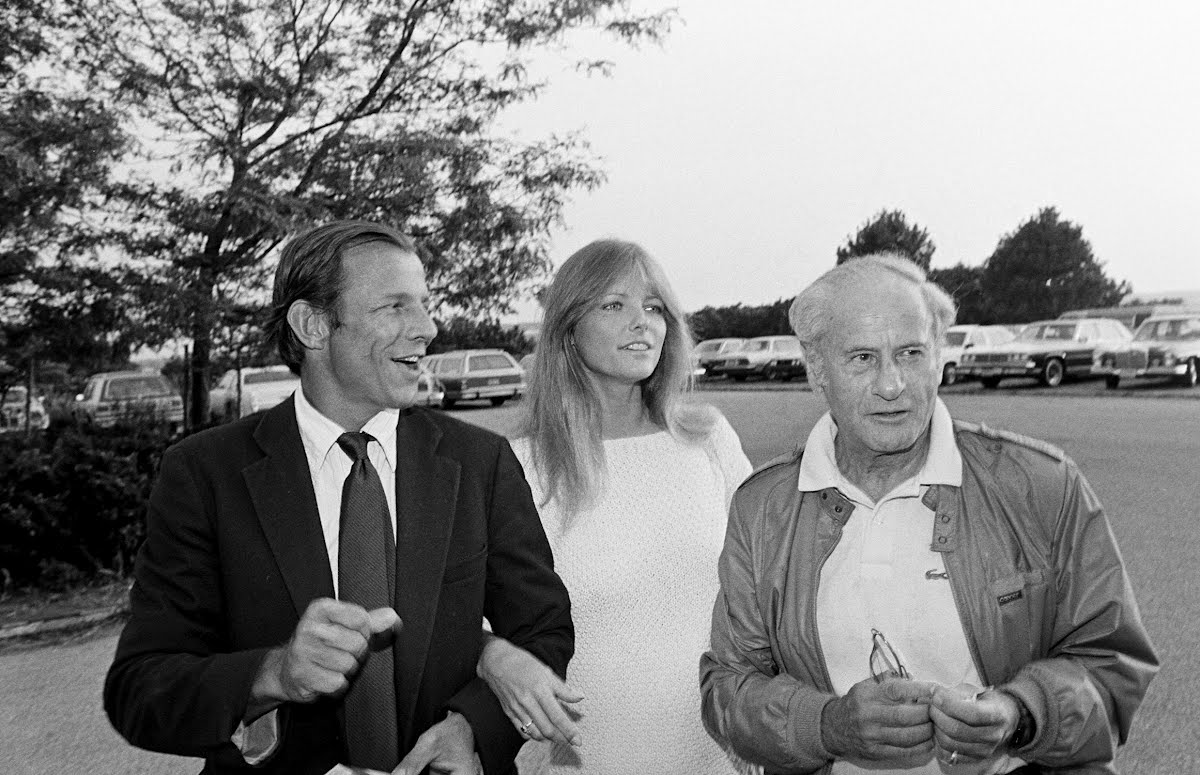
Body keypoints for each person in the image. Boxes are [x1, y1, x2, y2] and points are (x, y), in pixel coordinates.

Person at [104, 221, 573, 775]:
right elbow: (140, 689)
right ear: (313, 325)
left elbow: (543, 628)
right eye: (394, 306)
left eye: (424, 304)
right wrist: (274, 673)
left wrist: (472, 729)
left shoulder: (479, 461)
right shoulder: (206, 474)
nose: (427, 328)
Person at [699, 253, 1158, 775]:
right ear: (817, 370)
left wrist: (1021, 713)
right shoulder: (762, 508)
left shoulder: (1042, 485)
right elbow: (727, 690)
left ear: (940, 357)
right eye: (862, 358)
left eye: (911, 353)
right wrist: (827, 725)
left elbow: (1113, 663)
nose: (891, 384)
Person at [475, 239, 753, 774]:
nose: (641, 321)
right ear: (568, 328)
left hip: (720, 751)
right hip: (583, 754)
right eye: (613, 304)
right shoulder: (519, 464)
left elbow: (767, 589)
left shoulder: (709, 438)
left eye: (654, 307)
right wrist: (490, 656)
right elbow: (458, 618)